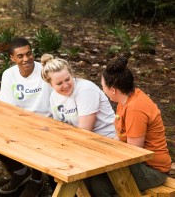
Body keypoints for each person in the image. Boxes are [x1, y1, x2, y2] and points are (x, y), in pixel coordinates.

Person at [86, 56, 171, 196]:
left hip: (152, 169)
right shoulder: (125, 100)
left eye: (103, 86)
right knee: (92, 181)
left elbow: (133, 152)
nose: (103, 90)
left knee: (97, 181)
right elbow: (122, 136)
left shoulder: (135, 108)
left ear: (113, 90)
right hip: (139, 163)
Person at [0, 37, 53, 197]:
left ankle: (36, 180)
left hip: (47, 123)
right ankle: (21, 172)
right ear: (12, 58)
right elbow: (5, 107)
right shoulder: (9, 74)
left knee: (37, 140)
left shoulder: (45, 70)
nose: (26, 59)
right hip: (20, 122)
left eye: (29, 54)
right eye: (20, 56)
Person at [40, 54, 116, 138]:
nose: (65, 86)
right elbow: (59, 125)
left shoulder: (86, 90)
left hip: (107, 138)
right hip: (78, 138)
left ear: (71, 74)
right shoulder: (54, 96)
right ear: (50, 84)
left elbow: (85, 130)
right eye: (59, 83)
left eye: (67, 79)